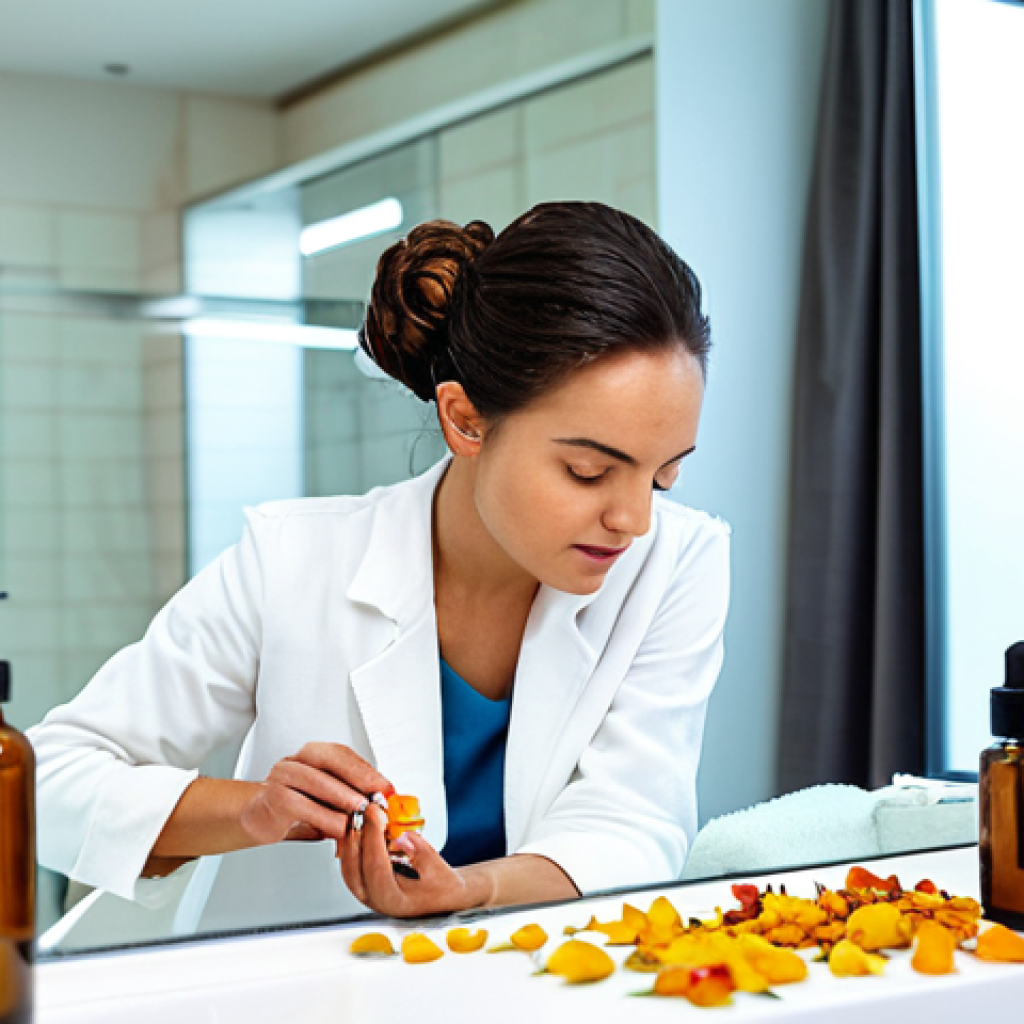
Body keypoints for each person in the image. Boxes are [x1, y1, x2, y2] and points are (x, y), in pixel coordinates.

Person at [29, 201, 730, 928]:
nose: (633, 520)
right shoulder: (291, 562)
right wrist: (254, 810)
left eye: (661, 477)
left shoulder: (677, 562)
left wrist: (471, 890)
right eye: (588, 471)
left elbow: (634, 819)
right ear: (464, 419)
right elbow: (44, 778)